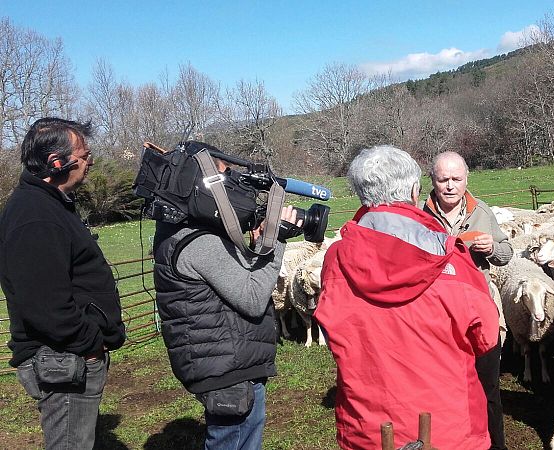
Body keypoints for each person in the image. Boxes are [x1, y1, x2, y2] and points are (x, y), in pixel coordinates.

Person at [314, 145, 499, 450]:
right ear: (415, 191)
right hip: (448, 429)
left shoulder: (336, 259)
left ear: (362, 195)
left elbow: (333, 328)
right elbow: (486, 337)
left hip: (369, 430)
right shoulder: (452, 258)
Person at [152, 146, 303, 450]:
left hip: (221, 362)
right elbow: (252, 296)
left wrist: (258, 244)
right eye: (221, 178)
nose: (232, 186)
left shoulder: (179, 230)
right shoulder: (200, 242)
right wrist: (277, 241)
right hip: (228, 371)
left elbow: (233, 280)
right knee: (234, 442)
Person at [0, 117, 126, 449]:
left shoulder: (49, 203)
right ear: (58, 163)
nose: (90, 161)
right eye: (84, 154)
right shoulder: (35, 216)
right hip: (63, 359)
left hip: (68, 356)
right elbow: (45, 305)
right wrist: (90, 346)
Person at [422, 151, 512, 450]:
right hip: (436, 317)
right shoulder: (418, 216)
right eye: (443, 179)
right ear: (432, 180)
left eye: (456, 179)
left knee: (488, 388)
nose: (450, 186)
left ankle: (495, 445)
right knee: (443, 388)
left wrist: (492, 250)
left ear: (466, 179)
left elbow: (507, 253)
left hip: (479, 316)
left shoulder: (482, 212)